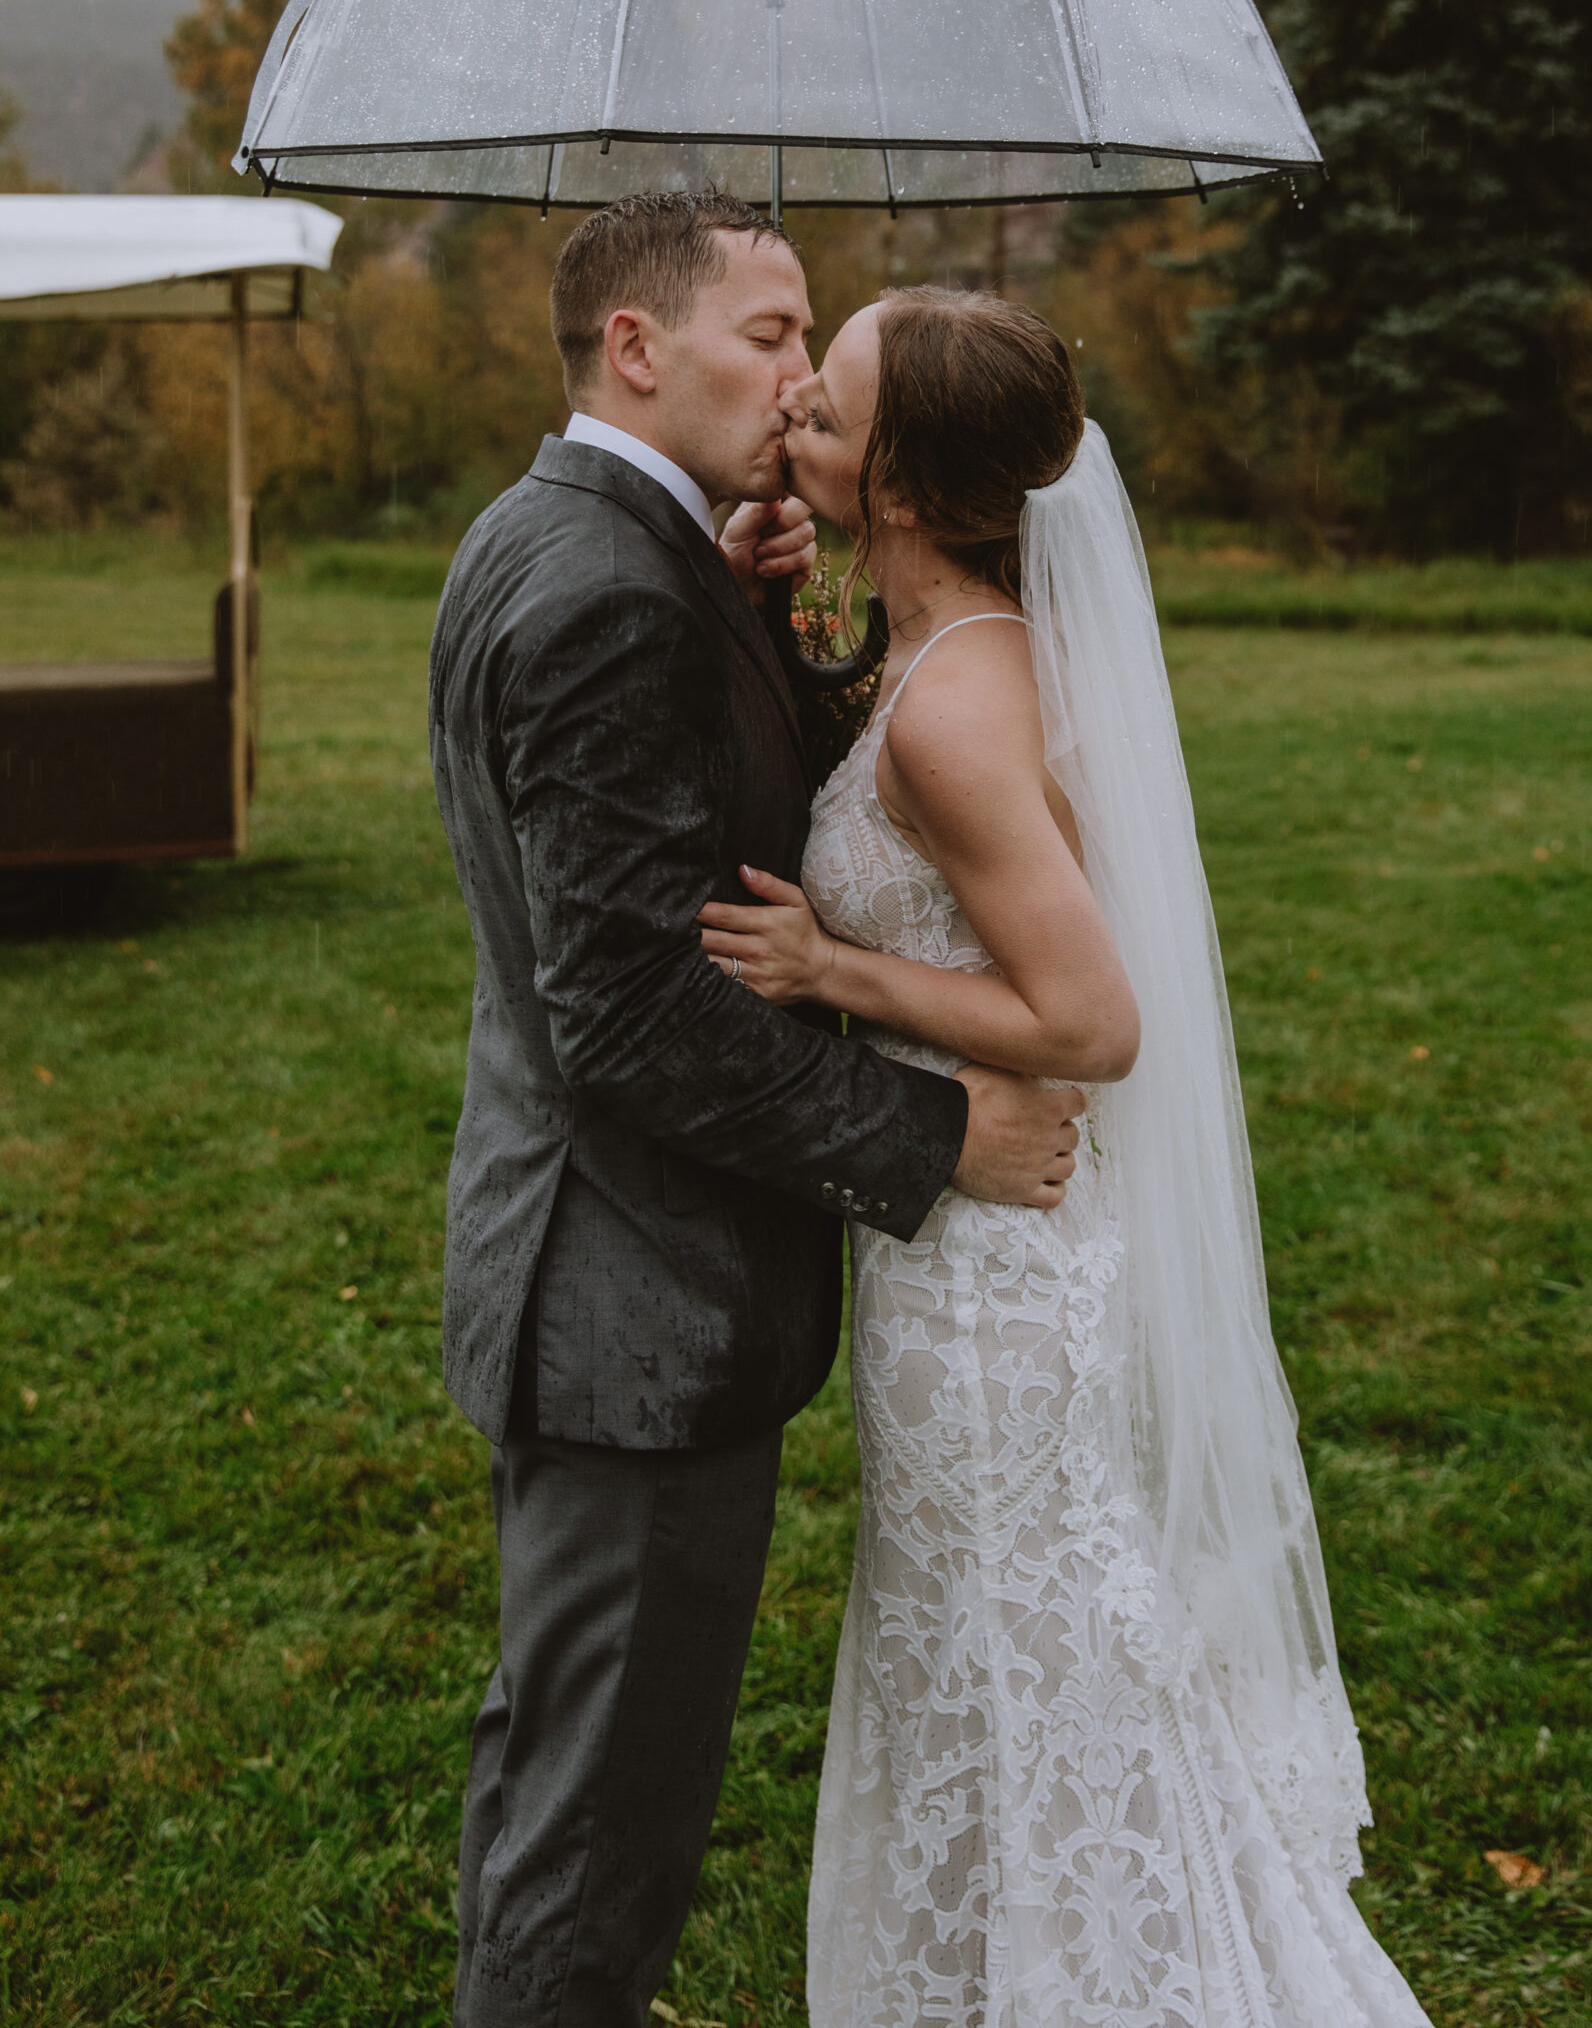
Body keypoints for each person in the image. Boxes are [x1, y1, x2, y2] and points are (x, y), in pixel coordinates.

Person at [700, 286, 1435, 2027]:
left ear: (893, 482)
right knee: (997, 1651)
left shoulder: (955, 713)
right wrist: (775, 610)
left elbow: (1093, 1019)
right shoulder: (956, 650)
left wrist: (833, 969)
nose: (795, 404)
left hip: (986, 1286)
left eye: (831, 401)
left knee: (1022, 1656)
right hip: (977, 1243)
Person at [428, 197, 1084, 2028]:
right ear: (639, 348)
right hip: (633, 1304)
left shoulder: (568, 536)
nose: (802, 375)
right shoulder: (602, 593)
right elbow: (633, 1007)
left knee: (561, 1760)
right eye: (771, 331)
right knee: (596, 1828)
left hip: (593, 1274)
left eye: (810, 343)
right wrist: (931, 1135)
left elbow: (706, 816)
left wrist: (758, 613)